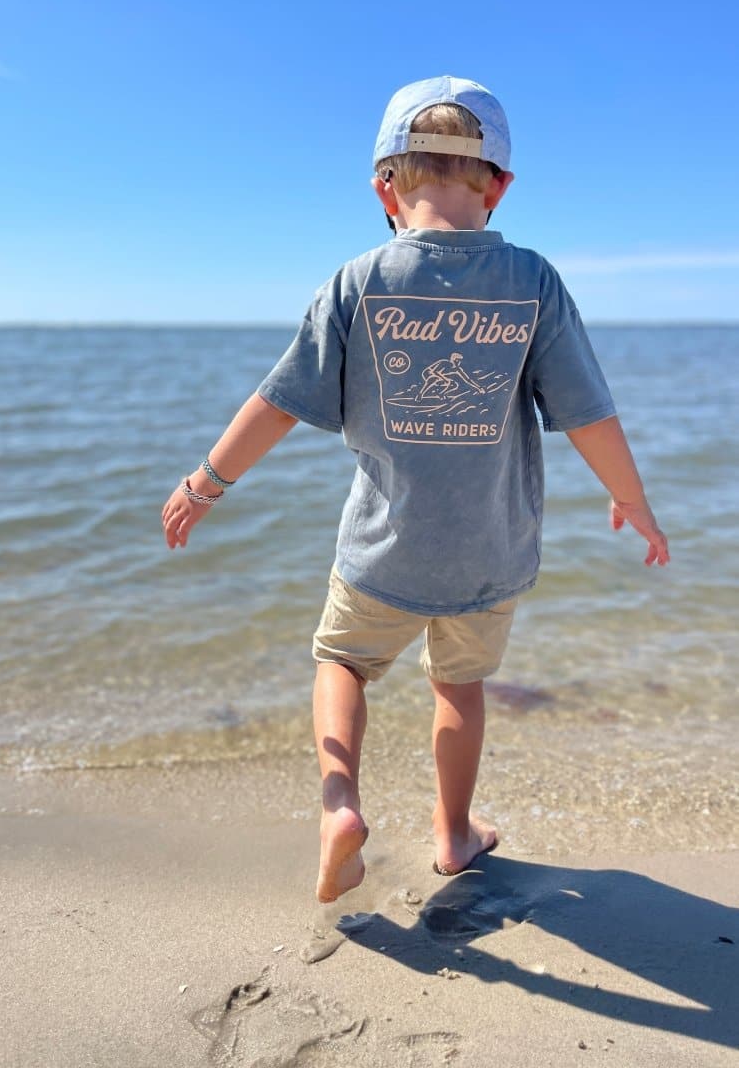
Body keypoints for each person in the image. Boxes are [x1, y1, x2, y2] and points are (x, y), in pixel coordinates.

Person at [161, 76, 669, 904]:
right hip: (488, 555)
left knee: (341, 662)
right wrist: (634, 501)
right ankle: (454, 835)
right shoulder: (532, 280)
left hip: (381, 552)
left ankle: (340, 808)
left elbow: (278, 401)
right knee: (458, 688)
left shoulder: (360, 279)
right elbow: (588, 414)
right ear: (499, 186)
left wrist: (206, 481)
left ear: (383, 187)